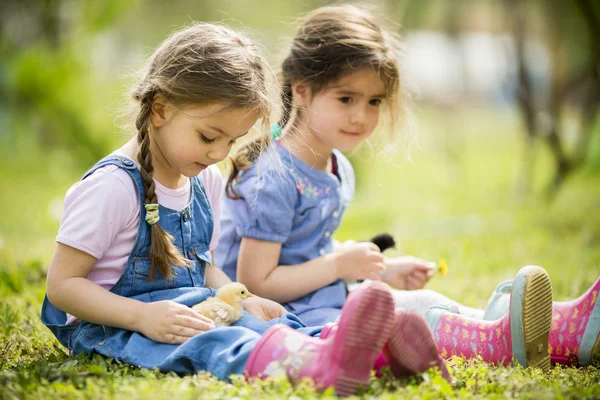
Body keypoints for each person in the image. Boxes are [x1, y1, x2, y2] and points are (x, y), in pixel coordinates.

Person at [215, 4, 599, 372]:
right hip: (291, 319)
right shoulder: (276, 178)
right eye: (346, 98)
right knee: (406, 319)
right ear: (301, 90)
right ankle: (494, 342)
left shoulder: (335, 167)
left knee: (427, 301)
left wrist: (378, 270)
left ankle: (563, 331)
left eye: (374, 101)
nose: (361, 116)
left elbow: (303, 248)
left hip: (322, 300)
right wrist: (339, 266)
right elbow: (254, 283)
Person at [40, 23, 418, 397]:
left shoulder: (206, 181)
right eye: (208, 137)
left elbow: (202, 266)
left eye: (232, 140)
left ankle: (351, 349)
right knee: (217, 342)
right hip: (112, 324)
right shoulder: (114, 187)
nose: (220, 154)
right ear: (159, 109)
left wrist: (242, 297)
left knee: (267, 319)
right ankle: (314, 365)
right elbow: (62, 287)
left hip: (188, 307)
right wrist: (142, 317)